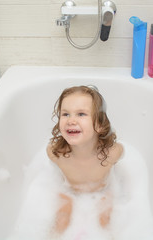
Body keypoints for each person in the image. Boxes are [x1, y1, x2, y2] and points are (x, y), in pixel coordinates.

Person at [46, 85, 123, 235]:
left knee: (105, 221)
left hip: (103, 191)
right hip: (69, 191)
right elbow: (55, 175)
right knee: (61, 220)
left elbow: (119, 166)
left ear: (100, 125)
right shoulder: (56, 154)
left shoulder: (111, 154)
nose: (71, 120)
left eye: (81, 114)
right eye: (65, 114)